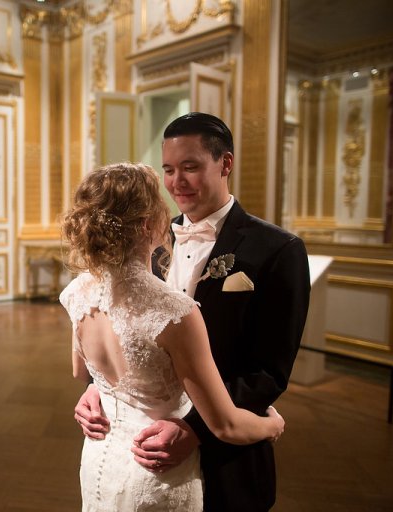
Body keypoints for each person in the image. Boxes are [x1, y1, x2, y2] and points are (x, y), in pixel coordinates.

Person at [73, 113, 311, 511]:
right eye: (167, 169)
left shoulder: (277, 250)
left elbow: (269, 371)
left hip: (225, 456)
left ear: (225, 164)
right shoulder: (147, 238)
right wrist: (98, 387)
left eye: (190, 167)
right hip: (143, 456)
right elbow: (126, 329)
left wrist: (195, 429)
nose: (176, 183)